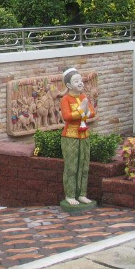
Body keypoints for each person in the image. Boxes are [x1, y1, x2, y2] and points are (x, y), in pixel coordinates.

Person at [60, 68, 96, 207]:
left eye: (81, 80)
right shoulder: (65, 99)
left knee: (84, 166)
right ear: (69, 85)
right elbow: (67, 116)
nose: (80, 83)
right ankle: (70, 195)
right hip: (71, 136)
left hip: (84, 135)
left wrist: (86, 112)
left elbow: (92, 112)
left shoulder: (83, 97)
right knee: (72, 167)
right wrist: (81, 110)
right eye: (76, 81)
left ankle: (82, 194)